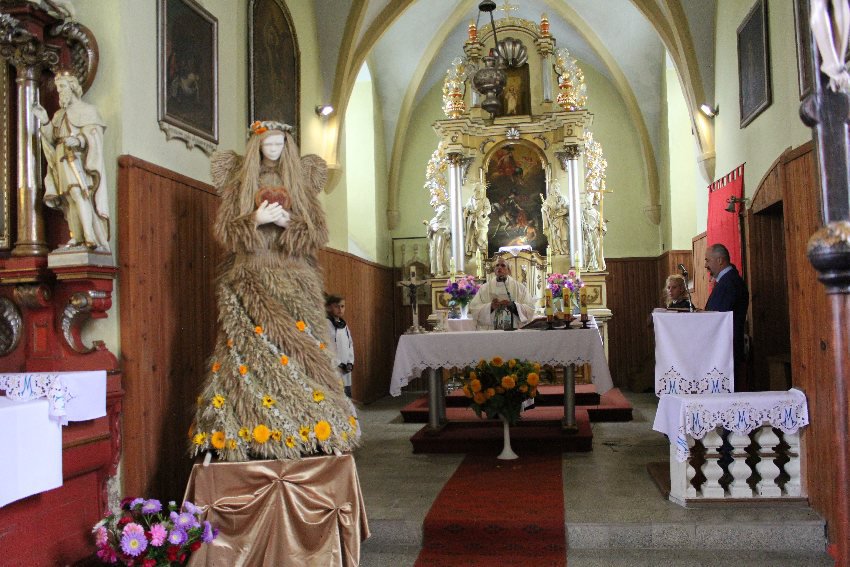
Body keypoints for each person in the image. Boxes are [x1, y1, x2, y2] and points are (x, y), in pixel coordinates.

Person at [189, 120, 359, 462]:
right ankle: (251, 429)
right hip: (251, 276)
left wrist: (287, 223)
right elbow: (226, 231)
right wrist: (255, 219)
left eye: (280, 143)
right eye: (268, 143)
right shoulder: (241, 182)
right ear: (257, 145)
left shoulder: (300, 183)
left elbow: (317, 233)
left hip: (295, 280)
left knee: (305, 353)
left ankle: (312, 427)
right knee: (251, 353)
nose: (274, 149)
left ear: (287, 146)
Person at [34, 71, 111, 252]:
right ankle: (77, 237)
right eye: (58, 88)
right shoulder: (59, 114)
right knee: (69, 198)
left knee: (79, 193)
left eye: (62, 87)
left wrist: (79, 140)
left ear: (73, 87)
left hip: (76, 158)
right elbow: (52, 138)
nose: (59, 91)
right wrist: (44, 120)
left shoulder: (88, 111)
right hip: (61, 158)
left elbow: (94, 135)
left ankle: (90, 237)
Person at [704, 243, 749, 381]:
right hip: (725, 345)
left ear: (720, 260)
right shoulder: (727, 280)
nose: (706, 265)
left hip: (727, 346)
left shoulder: (730, 283)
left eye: (707, 260)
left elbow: (718, 315)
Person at [467, 258, 536, 329]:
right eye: (497, 265)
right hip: (491, 330)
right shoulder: (484, 288)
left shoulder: (520, 288)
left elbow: (530, 308)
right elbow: (474, 308)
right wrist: (490, 307)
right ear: (494, 270)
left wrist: (514, 306)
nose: (499, 267)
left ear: (509, 270)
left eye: (503, 265)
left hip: (514, 329)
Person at [325, 294, 354, 398]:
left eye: (342, 306)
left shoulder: (343, 325)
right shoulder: (326, 324)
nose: (340, 309)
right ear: (329, 307)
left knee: (347, 395)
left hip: (346, 367)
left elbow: (350, 344)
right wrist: (337, 363)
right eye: (336, 306)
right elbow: (326, 346)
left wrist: (350, 362)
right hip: (334, 366)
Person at [463, 182, 491, 258]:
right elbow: (467, 209)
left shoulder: (485, 200)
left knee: (481, 238)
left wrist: (482, 213)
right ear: (474, 191)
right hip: (472, 221)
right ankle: (473, 256)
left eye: (481, 191)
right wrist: (467, 212)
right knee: (472, 239)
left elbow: (488, 209)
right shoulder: (470, 200)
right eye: (478, 191)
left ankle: (481, 257)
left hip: (481, 222)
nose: (479, 193)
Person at [541, 184, 570, 255]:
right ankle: (558, 250)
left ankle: (565, 250)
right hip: (553, 222)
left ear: (559, 189)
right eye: (553, 188)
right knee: (555, 236)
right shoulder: (548, 200)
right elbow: (545, 209)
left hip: (563, 221)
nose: (555, 190)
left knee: (564, 237)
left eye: (557, 188)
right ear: (551, 190)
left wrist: (563, 212)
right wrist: (545, 210)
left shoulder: (564, 198)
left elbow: (568, 208)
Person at [427, 202, 451, 275]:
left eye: (445, 210)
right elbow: (429, 234)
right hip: (436, 240)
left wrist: (448, 231)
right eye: (443, 209)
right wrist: (430, 228)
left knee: (446, 254)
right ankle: (439, 270)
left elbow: (451, 231)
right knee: (438, 252)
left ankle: (446, 270)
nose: (444, 211)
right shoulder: (433, 221)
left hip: (445, 240)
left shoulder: (448, 221)